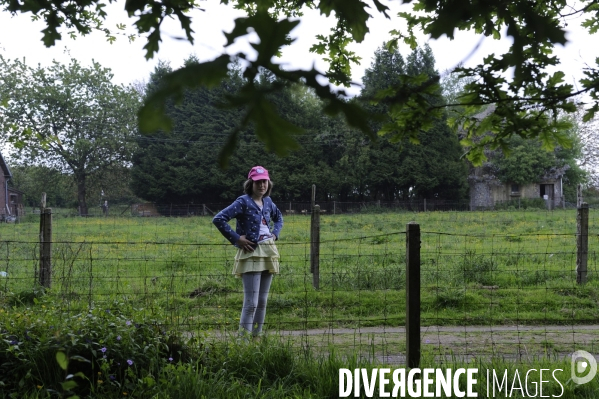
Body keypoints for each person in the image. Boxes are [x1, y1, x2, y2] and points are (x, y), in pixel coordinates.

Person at [212, 166, 283, 339]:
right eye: (258, 182)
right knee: (251, 302)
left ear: (268, 183)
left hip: (268, 251)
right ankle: (243, 341)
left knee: (262, 302)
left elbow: (279, 218)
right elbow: (219, 219)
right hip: (251, 252)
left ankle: (256, 339)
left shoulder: (269, 202)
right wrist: (237, 239)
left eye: (264, 181)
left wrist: (275, 234)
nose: (262, 185)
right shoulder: (243, 202)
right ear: (250, 183)